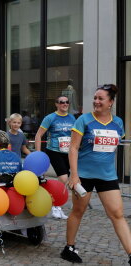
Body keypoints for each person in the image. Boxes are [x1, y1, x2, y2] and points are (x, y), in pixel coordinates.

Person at [61, 84, 131, 264]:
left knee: (117, 213)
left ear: (110, 103)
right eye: (95, 98)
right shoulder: (83, 120)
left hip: (107, 176)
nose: (96, 102)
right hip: (83, 175)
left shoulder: (118, 123)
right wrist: (74, 175)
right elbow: (73, 148)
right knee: (78, 210)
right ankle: (69, 248)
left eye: (101, 99)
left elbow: (113, 146)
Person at [35, 95, 75, 220]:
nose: (65, 104)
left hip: (68, 152)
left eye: (67, 102)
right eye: (61, 102)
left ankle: (57, 205)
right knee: (63, 179)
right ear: (56, 104)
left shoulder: (72, 117)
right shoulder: (50, 118)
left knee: (68, 180)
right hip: (54, 151)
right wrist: (38, 154)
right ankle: (55, 206)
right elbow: (38, 135)